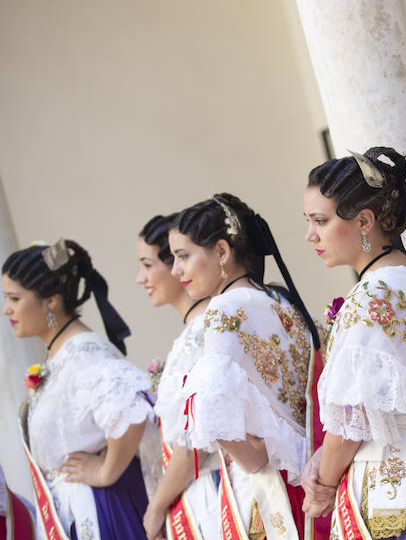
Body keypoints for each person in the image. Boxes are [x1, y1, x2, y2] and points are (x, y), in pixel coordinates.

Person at [300, 146, 406, 540]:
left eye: (320, 221)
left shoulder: (373, 296)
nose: (310, 235)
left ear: (365, 220)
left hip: (389, 479)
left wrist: (325, 481)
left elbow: (353, 418)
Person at [170, 193, 319, 539]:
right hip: (304, 472)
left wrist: (249, 452)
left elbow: (247, 453)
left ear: (221, 252)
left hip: (265, 490)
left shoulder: (223, 312)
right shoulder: (279, 300)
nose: (177, 270)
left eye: (183, 256)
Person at [3, 239, 153, 539]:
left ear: (51, 301)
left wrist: (106, 470)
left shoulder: (84, 354)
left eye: (14, 299)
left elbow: (132, 411)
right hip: (73, 508)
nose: (7, 309)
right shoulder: (61, 354)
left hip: (101, 509)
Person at [135, 214, 217, 540]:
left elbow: (194, 442)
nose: (140, 279)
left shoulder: (206, 330)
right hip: (198, 494)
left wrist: (155, 507)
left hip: (216, 494)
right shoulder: (194, 332)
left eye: (146, 264)